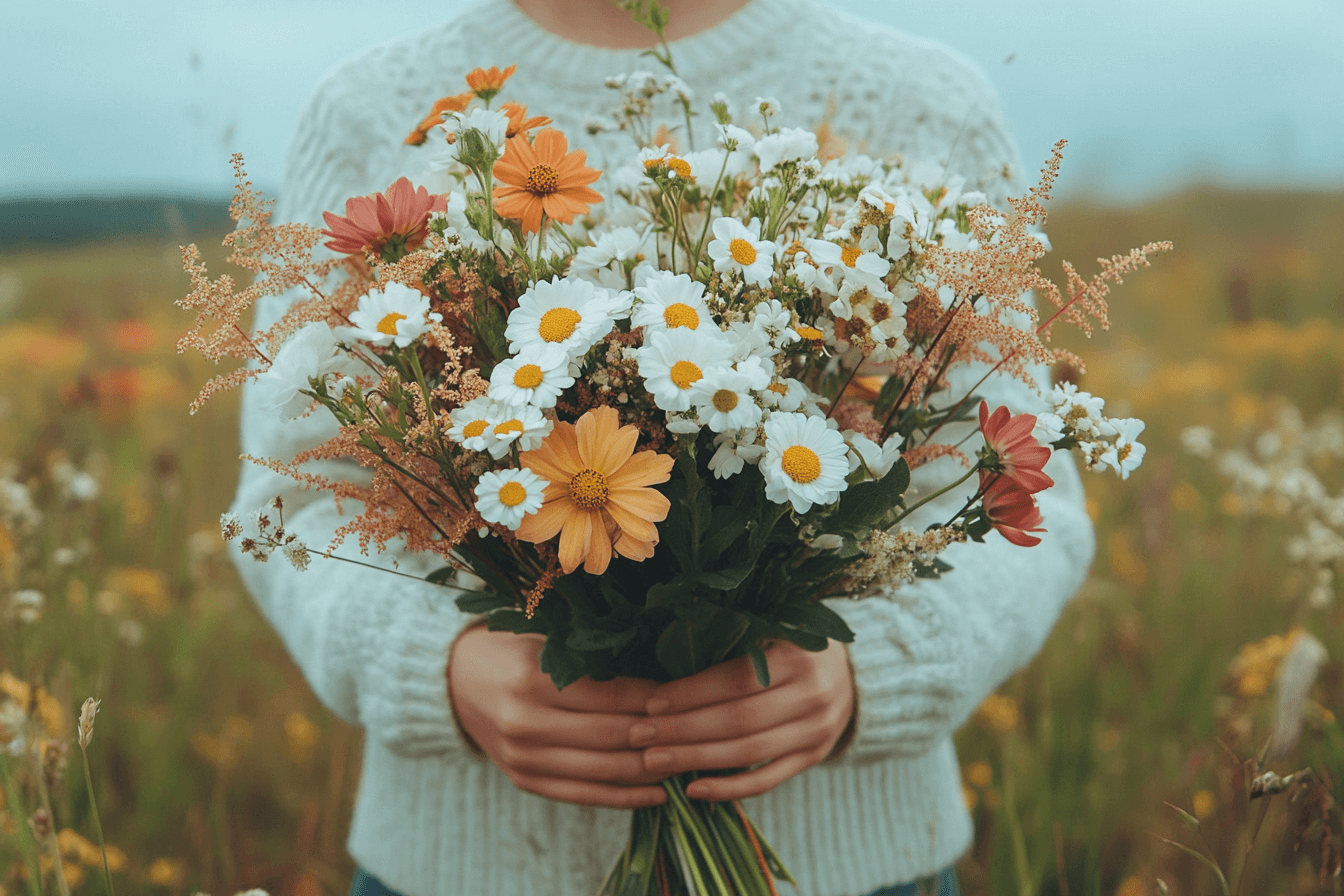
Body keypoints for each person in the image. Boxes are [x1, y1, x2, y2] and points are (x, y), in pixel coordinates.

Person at [228, 0, 1096, 894]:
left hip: (853, 865)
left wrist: (867, 674)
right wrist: (436, 671)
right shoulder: (372, 107)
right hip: (463, 865)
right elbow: (292, 500)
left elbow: (1026, 500)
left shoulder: (920, 101)